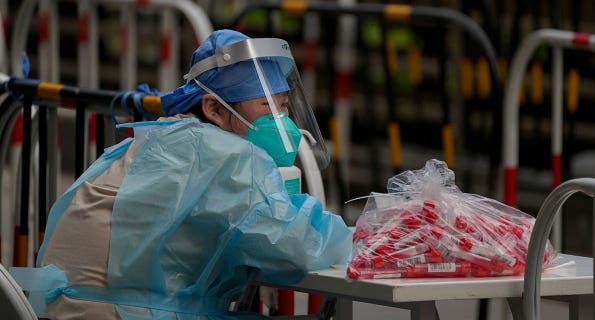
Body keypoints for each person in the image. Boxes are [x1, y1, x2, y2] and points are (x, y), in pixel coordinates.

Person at [10, 29, 352, 319]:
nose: (281, 119)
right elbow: (297, 249)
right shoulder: (225, 157)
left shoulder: (165, 139)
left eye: (283, 105)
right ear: (214, 109)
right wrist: (366, 237)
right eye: (266, 105)